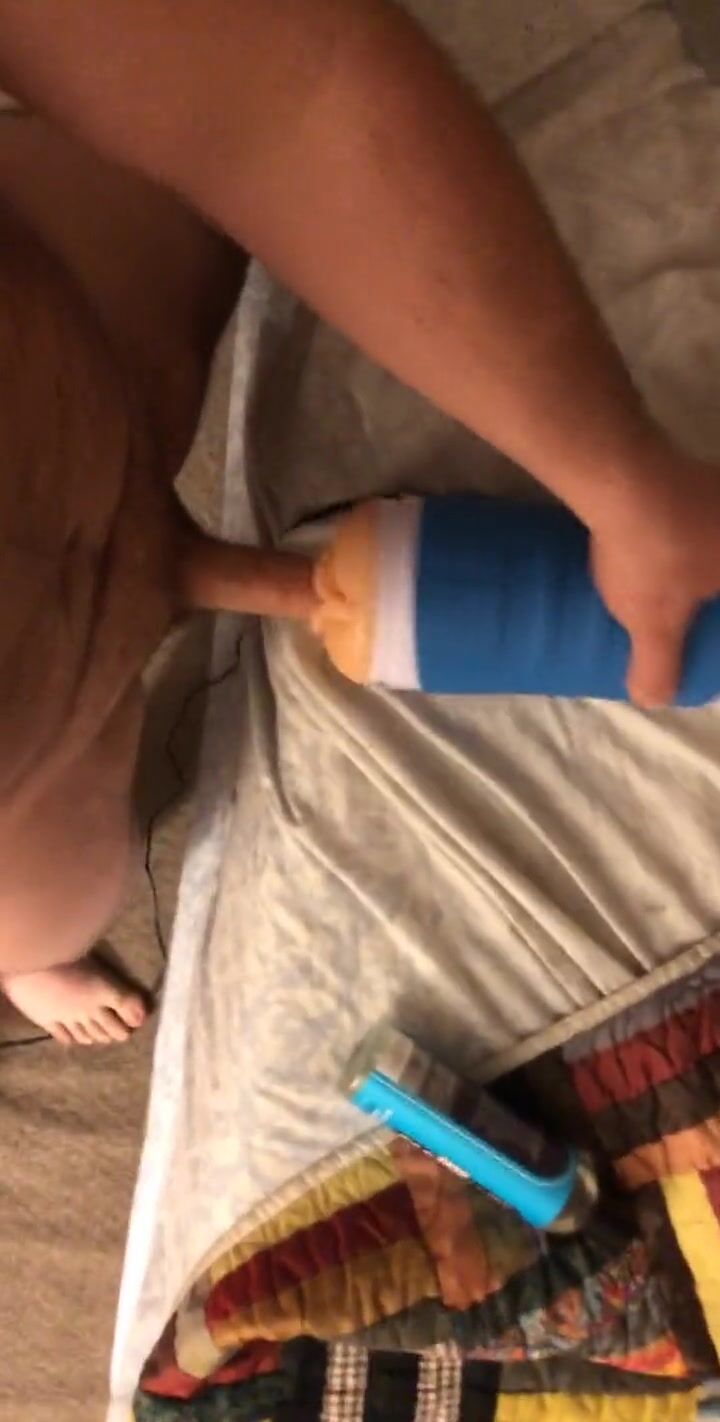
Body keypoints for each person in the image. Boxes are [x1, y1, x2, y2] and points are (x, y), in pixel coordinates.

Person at [0, 0, 718, 1045]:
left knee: (157, 206)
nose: (108, 563)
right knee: (53, 895)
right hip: (22, 796)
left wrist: (612, 469)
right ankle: (29, 960)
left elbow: (285, 93)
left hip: (74, 277)